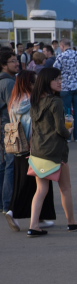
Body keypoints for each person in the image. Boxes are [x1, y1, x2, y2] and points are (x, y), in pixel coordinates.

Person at [28, 68, 77, 237]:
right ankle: (72, 222)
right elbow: (60, 129)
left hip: (38, 151)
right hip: (56, 151)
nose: (60, 82)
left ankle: (33, 225)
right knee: (65, 188)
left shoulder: (34, 101)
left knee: (40, 190)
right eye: (56, 79)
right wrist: (68, 131)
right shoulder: (55, 102)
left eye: (60, 78)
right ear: (47, 81)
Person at [4, 71, 56, 232]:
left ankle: (38, 216)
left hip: (18, 146)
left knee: (27, 183)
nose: (36, 86)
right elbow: (35, 125)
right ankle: (16, 211)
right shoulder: (32, 101)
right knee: (36, 185)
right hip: (33, 147)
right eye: (33, 83)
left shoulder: (14, 101)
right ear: (28, 83)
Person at [54, 39, 77, 142]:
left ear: (61, 46)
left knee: (67, 112)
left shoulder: (61, 56)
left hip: (65, 88)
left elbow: (55, 70)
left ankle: (68, 136)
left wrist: (60, 81)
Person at [0, 50, 19, 215]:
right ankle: (7, 205)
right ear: (3, 65)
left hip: (2, 127)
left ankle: (3, 203)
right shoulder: (8, 83)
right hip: (8, 128)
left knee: (3, 165)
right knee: (10, 166)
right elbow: (13, 108)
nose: (17, 63)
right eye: (13, 61)